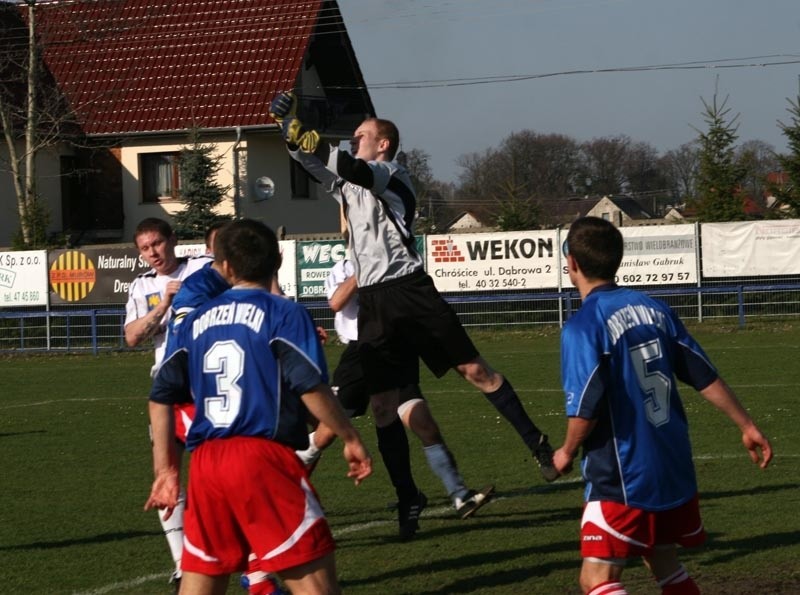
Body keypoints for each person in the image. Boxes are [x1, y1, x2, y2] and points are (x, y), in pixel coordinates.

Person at [269, 92, 556, 539]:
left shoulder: (389, 173)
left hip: (410, 291)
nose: (354, 140)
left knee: (474, 369)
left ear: (382, 144)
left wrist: (307, 132)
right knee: (384, 406)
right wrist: (289, 133)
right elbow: (312, 165)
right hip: (376, 304)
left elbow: (349, 167)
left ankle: (538, 444)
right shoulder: (350, 183)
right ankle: (409, 499)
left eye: (361, 135)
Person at [145, 219, 372, 595]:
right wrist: (349, 436)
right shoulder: (284, 313)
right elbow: (309, 386)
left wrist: (167, 471)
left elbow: (160, 396)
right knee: (317, 587)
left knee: (200, 585)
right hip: (261, 458)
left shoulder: (197, 319)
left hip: (205, 465)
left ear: (226, 267)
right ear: (278, 260)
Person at [552, 216, 773, 595]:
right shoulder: (655, 309)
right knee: (664, 563)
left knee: (597, 580)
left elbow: (585, 410)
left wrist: (566, 452)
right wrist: (747, 425)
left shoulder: (584, 326)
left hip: (623, 475)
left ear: (571, 263)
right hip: (672, 466)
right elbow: (703, 374)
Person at [295, 254, 495, 521]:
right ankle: (286, 491)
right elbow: (336, 302)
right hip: (360, 353)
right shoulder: (341, 268)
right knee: (325, 433)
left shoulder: (392, 260)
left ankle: (459, 495)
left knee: (424, 423)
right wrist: (363, 271)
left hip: (392, 349)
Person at [124, 217, 211, 587]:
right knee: (166, 473)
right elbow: (131, 337)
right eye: (144, 248)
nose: (153, 253)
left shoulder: (202, 267)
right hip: (167, 388)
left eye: (157, 244)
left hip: (207, 382)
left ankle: (253, 558)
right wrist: (165, 305)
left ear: (173, 240)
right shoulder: (142, 286)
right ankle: (180, 564)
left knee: (217, 472)